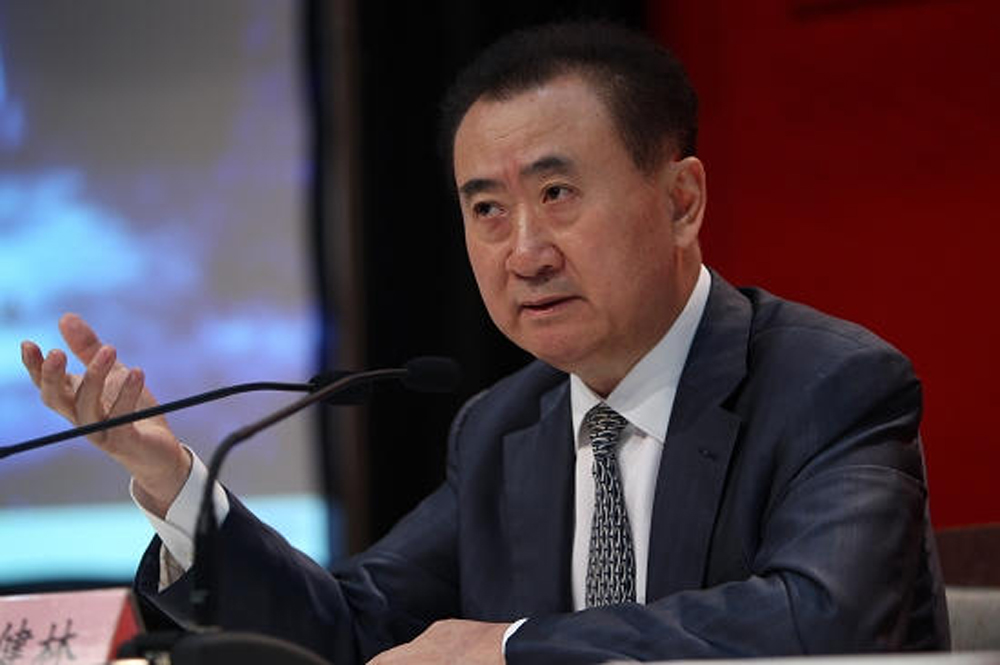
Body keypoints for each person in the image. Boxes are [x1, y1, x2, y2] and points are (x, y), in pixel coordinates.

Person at [20, 21, 949, 664]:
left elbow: (824, 625)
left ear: (681, 201)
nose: (525, 251)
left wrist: (511, 647)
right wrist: (171, 480)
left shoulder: (829, 384)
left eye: (557, 194)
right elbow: (349, 629)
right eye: (488, 210)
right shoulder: (505, 426)